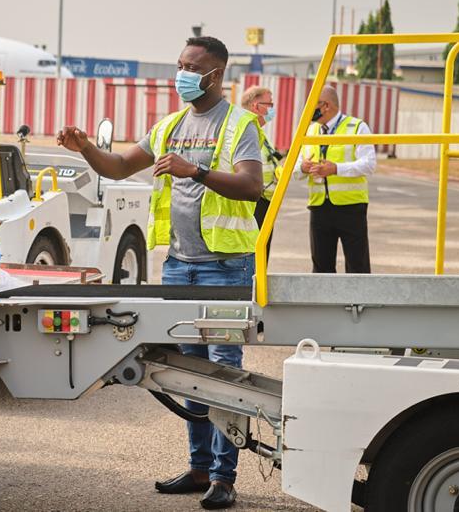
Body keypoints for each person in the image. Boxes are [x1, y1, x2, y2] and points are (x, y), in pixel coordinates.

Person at [57, 36, 262, 510]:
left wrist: (197, 172)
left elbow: (253, 186)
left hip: (223, 267)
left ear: (217, 74)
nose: (183, 73)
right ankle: (198, 467)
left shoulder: (239, 124)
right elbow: (120, 166)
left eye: (193, 66)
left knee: (223, 374)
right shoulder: (169, 124)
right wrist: (86, 146)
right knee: (187, 371)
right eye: (180, 64)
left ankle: (224, 477)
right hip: (178, 266)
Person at [296, 85, 375, 273]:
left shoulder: (357, 127)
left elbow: (369, 164)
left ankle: (359, 302)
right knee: (321, 266)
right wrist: (303, 167)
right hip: (319, 208)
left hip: (351, 207)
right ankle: (325, 302)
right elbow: (295, 169)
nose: (308, 110)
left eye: (312, 104)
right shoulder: (310, 130)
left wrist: (336, 169)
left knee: (358, 265)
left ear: (325, 106)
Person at [241, 85, 282, 258]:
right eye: (269, 104)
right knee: (253, 256)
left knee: (261, 255)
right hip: (253, 203)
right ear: (256, 106)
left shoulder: (259, 133)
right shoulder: (245, 131)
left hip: (264, 202)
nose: (272, 109)